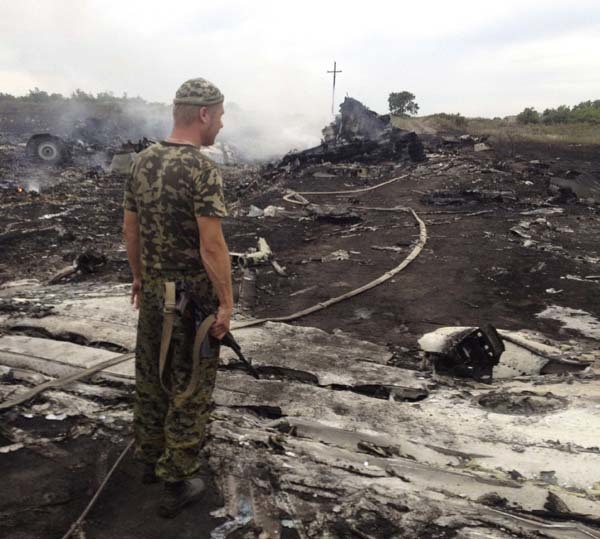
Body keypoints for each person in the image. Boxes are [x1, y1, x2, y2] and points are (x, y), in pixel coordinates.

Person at [122, 78, 233, 518]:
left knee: (151, 375)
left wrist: (138, 277)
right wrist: (226, 303)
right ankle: (179, 475)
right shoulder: (203, 170)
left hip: (152, 292)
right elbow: (212, 246)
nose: (221, 126)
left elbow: (130, 230)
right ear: (204, 114)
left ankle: (150, 459)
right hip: (192, 300)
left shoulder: (141, 162)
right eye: (220, 117)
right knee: (189, 385)